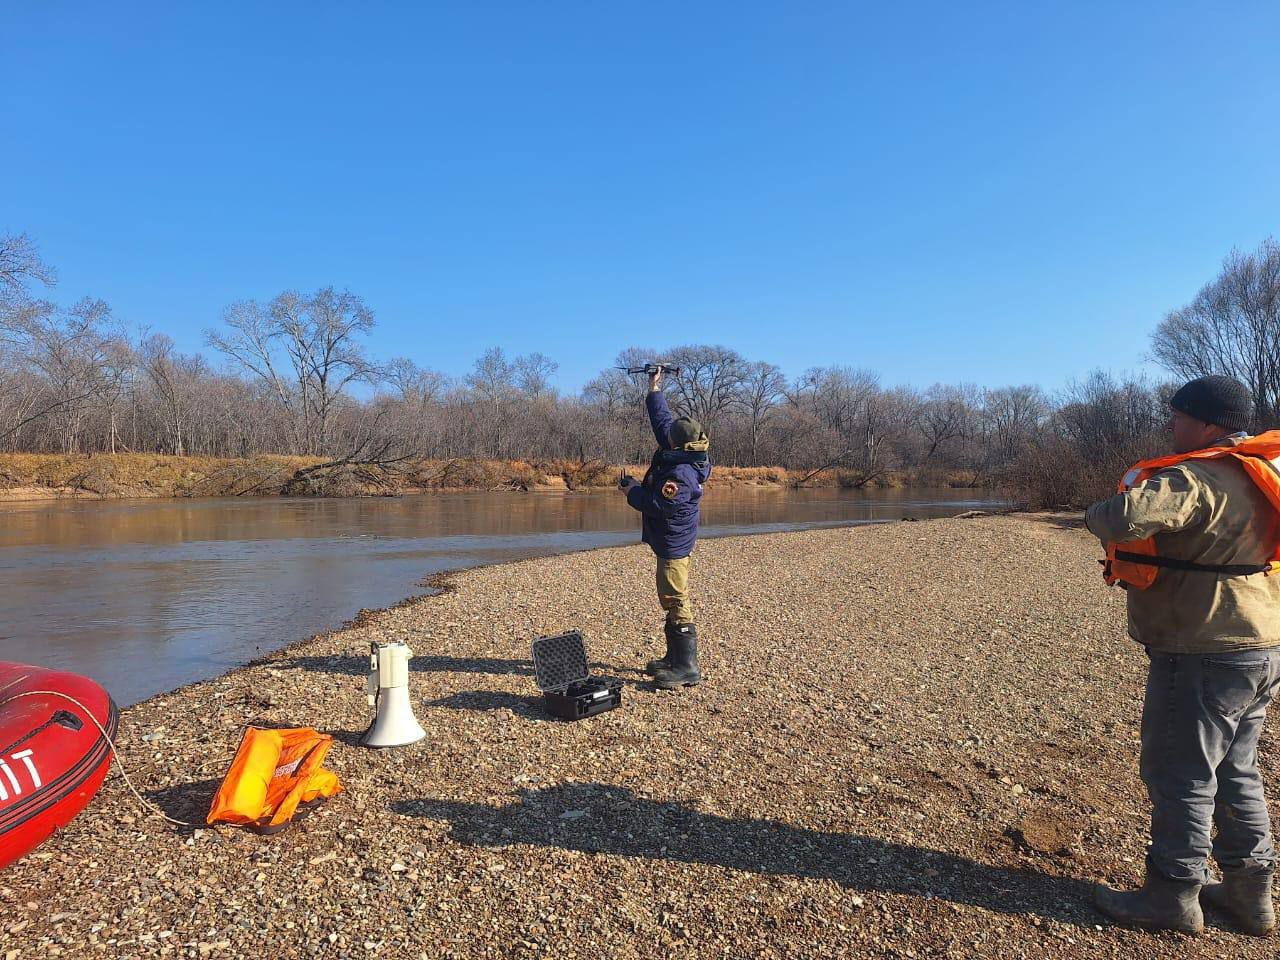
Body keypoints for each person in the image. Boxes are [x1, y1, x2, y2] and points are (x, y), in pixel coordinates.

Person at [1086, 374, 1280, 936]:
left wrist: (1093, 514)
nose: (1171, 424)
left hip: (1203, 646)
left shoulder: (1193, 476)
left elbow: (1121, 519)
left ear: (1207, 423)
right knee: (1237, 767)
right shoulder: (1261, 469)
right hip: (1263, 641)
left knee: (1182, 772)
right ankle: (1250, 894)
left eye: (1177, 415)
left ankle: (1172, 895)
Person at [619, 366, 712, 689]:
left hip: (673, 543)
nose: (665, 435)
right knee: (671, 595)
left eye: (669, 436)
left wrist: (631, 490)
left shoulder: (682, 475)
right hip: (671, 540)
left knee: (675, 597)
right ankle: (673, 659)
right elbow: (662, 422)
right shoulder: (682, 451)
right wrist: (654, 387)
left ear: (678, 444)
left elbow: (657, 505)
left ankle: (686, 667)